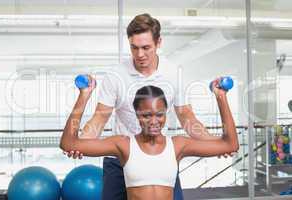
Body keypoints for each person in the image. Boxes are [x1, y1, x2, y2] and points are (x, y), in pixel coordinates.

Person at [65, 13, 232, 200]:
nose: (140, 54)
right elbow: (100, 117)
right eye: (134, 48)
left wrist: (215, 144)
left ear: (159, 42)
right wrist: (81, 143)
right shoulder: (116, 75)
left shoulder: (173, 73)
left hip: (159, 158)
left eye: (146, 47)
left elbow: (187, 118)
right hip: (120, 159)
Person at [60, 83, 239, 200]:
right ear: (137, 114)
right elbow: (69, 143)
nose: (154, 121)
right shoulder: (123, 145)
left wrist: (221, 97)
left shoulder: (178, 145)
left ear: (166, 113)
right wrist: (84, 96)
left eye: (159, 114)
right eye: (146, 115)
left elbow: (230, 144)